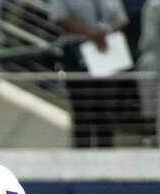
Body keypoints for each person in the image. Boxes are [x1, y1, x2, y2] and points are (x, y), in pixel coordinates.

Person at [50, 0, 129, 147]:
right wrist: (91, 33)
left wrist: (105, 32)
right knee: (83, 110)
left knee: (106, 109)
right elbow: (60, 18)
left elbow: (121, 18)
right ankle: (82, 156)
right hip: (77, 54)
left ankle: (106, 154)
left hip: (106, 52)